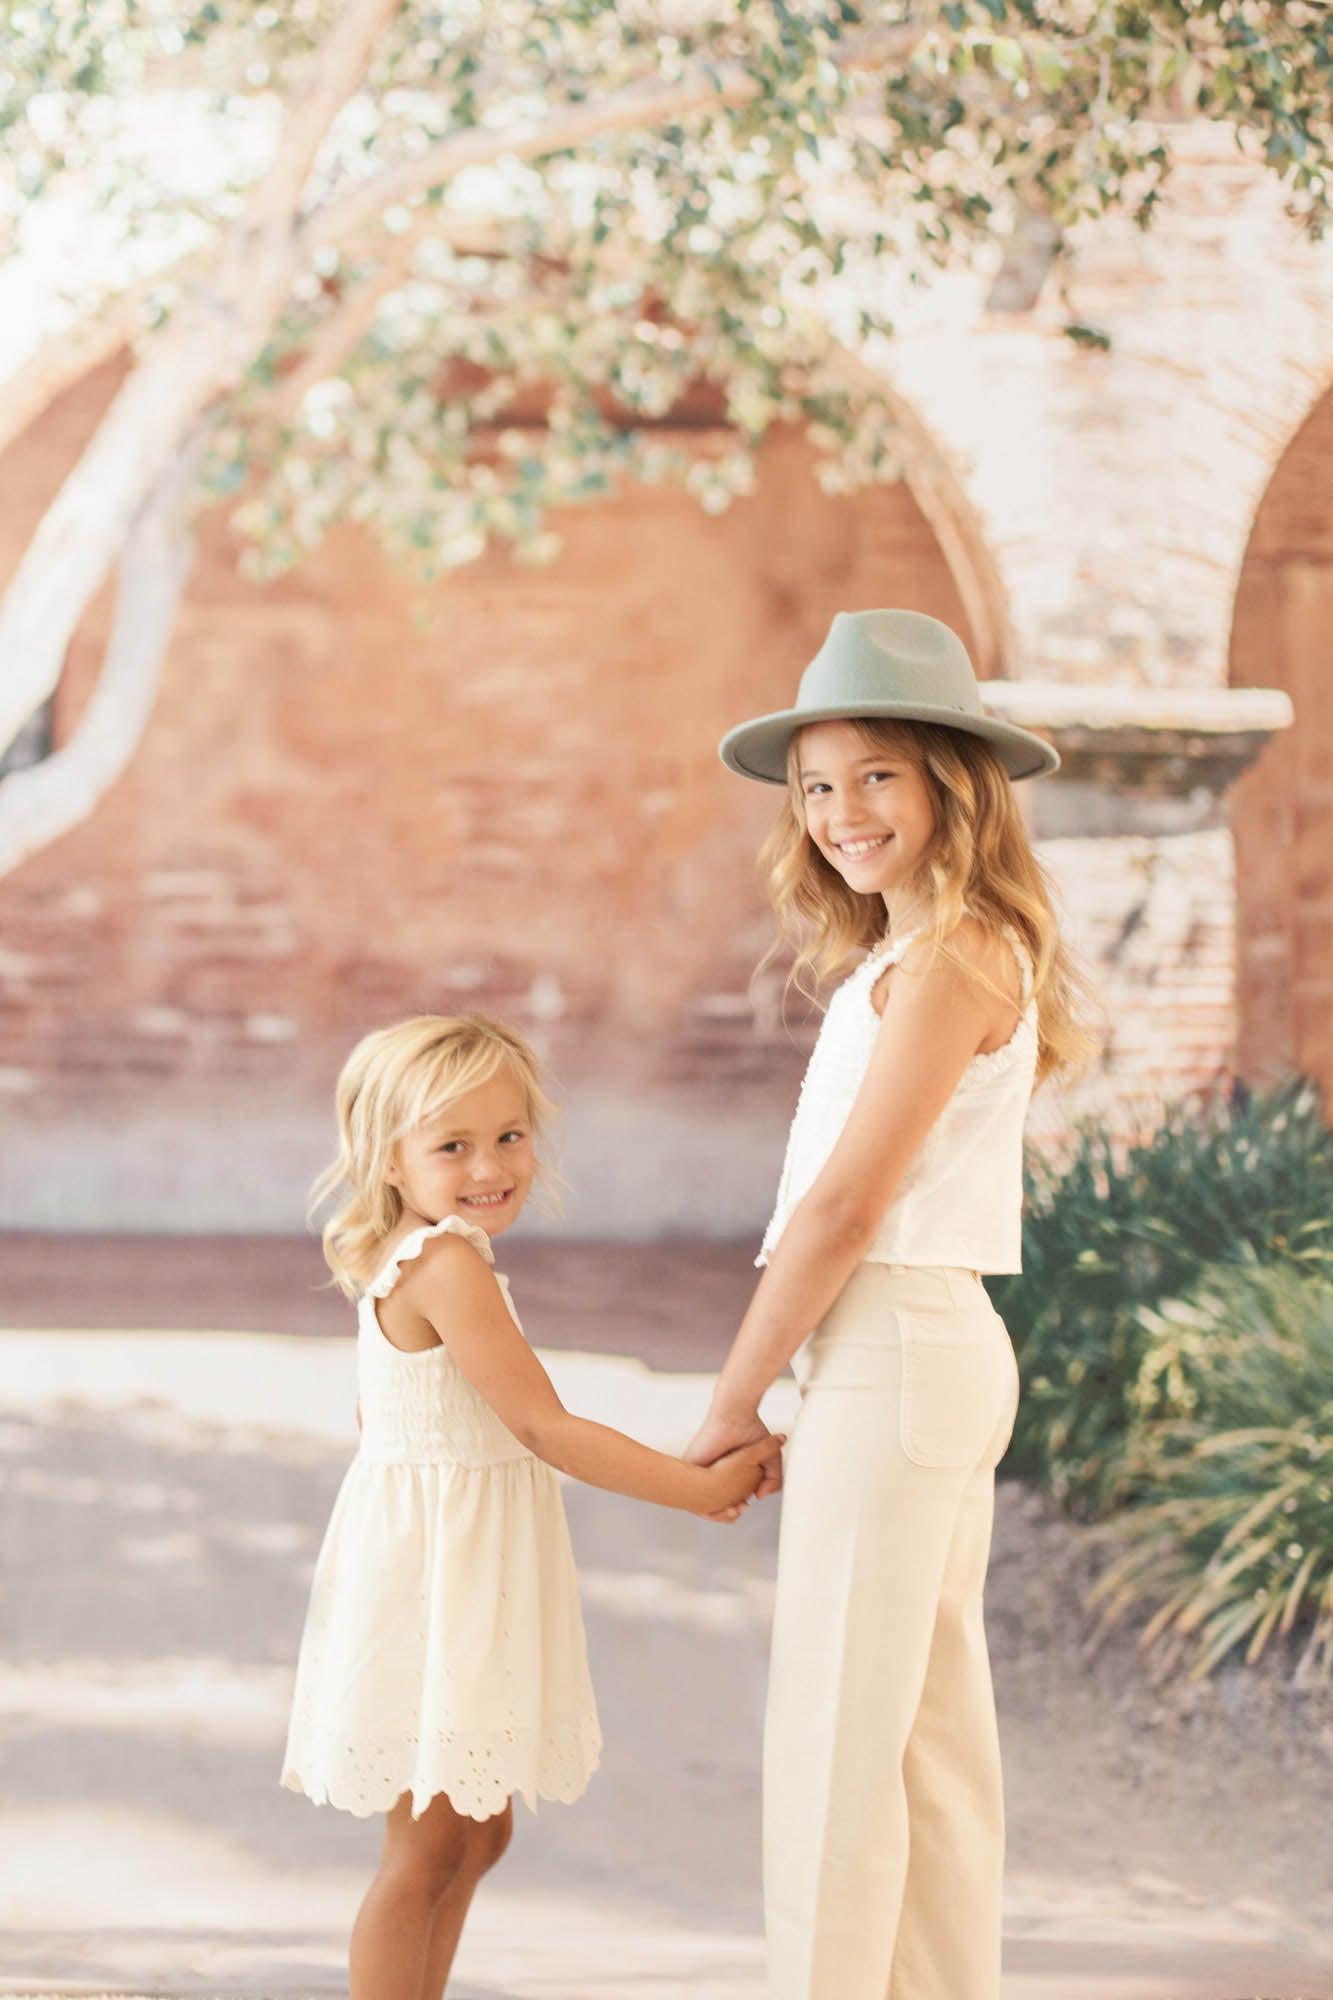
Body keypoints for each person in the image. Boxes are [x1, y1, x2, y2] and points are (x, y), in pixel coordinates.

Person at [685, 609, 1098, 2000]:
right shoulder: (921, 950)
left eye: (873, 776)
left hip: (899, 1345)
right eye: (814, 785)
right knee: (919, 1746)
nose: (839, 812)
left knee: (836, 1749)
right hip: (910, 1353)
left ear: (947, 780)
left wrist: (735, 1397)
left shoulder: (951, 959)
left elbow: (847, 1210)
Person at [281, 1011, 782, 2000]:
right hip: (438, 1582)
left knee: (480, 1827)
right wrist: (697, 1489)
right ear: (389, 1157)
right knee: (427, 1846)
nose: (490, 1165)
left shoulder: (421, 1249)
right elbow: (543, 1426)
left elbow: (388, 1408)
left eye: (509, 1134)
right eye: (453, 1144)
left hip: (456, 1561)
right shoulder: (446, 1263)